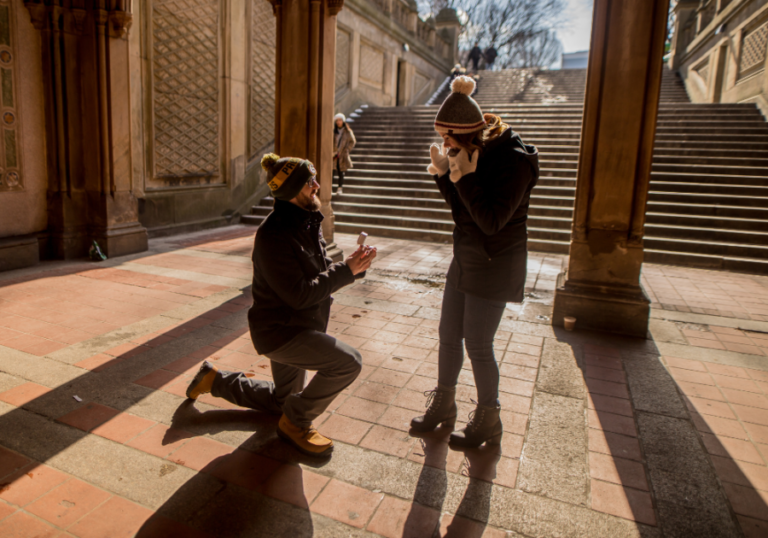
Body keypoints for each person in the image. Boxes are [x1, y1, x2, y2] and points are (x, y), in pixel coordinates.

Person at [186, 153, 377, 458]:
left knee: (281, 400)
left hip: (301, 326)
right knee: (348, 362)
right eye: (308, 181)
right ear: (290, 191)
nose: (316, 185)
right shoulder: (272, 236)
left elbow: (323, 271)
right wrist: (347, 271)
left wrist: (355, 265)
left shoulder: (306, 220)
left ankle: (214, 380)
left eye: (313, 178)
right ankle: (296, 423)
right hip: (282, 333)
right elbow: (299, 295)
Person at [410, 75, 539, 448]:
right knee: (449, 335)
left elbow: (491, 221)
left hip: (496, 263)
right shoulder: (465, 152)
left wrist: (463, 178)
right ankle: (443, 406)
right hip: (466, 257)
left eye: (448, 138)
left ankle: (489, 418)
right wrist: (444, 177)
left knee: (479, 344)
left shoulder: (513, 162)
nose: (444, 144)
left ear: (467, 133)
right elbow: (462, 213)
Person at [333, 113, 356, 196]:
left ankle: (340, 188)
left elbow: (352, 141)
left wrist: (347, 150)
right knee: (331, 172)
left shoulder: (347, 131)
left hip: (342, 155)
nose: (338, 122)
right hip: (334, 155)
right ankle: (329, 188)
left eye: (340, 120)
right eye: (337, 120)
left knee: (341, 171)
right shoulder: (334, 131)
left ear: (343, 121)